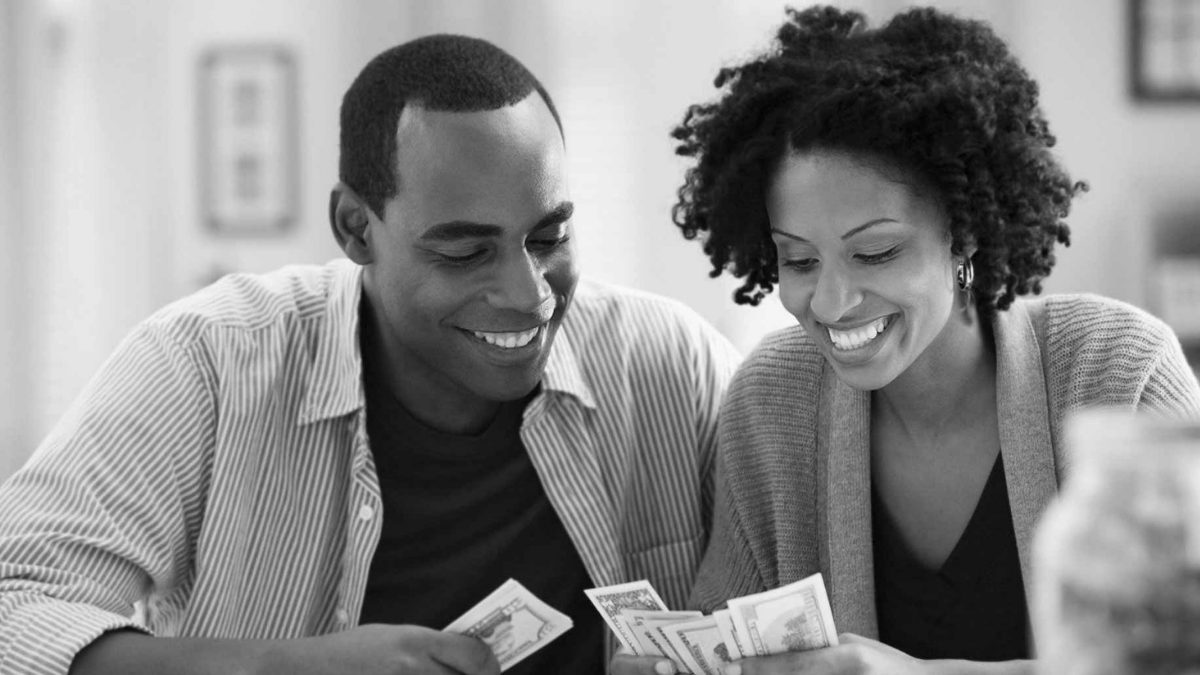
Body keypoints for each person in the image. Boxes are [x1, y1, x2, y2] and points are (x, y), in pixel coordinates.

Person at [0, 35, 741, 675]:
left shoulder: (671, 364)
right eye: (465, 249)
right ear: (356, 227)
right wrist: (290, 664)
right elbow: (16, 609)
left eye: (549, 237)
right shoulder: (208, 364)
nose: (528, 294)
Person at [614, 5, 1200, 675]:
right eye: (799, 261)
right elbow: (730, 634)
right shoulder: (771, 400)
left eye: (876, 253)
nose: (831, 302)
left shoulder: (1118, 373)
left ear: (966, 236)